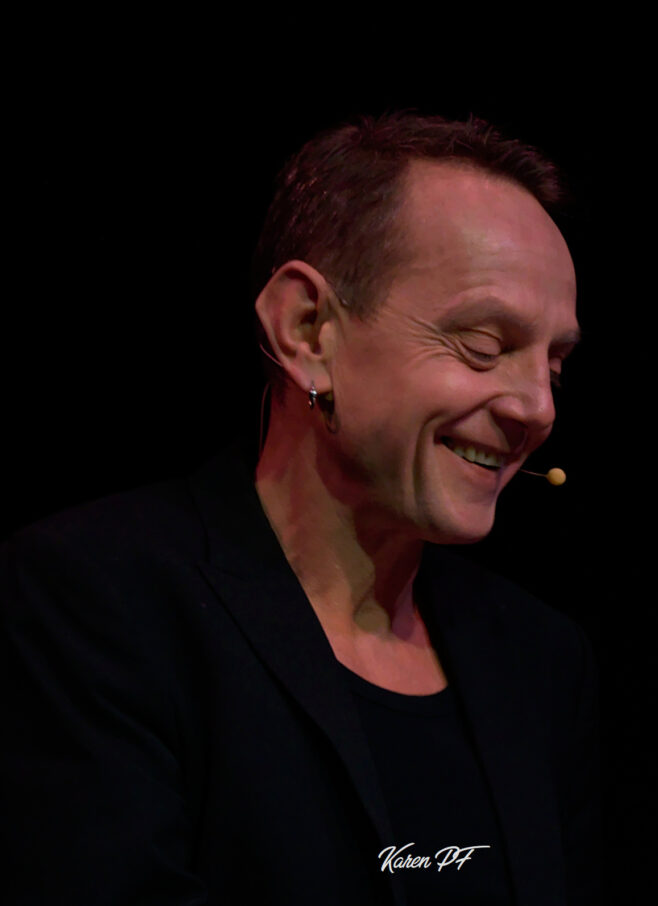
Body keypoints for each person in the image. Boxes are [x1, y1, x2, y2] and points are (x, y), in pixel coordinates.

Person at [2, 113, 600, 905]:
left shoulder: (540, 660)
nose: (537, 409)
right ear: (307, 329)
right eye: (483, 345)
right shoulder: (104, 601)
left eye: (553, 367)